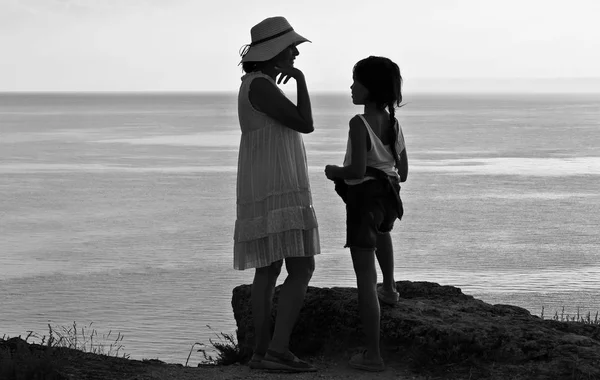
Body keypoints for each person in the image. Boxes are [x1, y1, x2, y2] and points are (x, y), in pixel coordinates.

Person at [234, 16, 320, 373]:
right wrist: (300, 82)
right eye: (292, 47)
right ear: (275, 52)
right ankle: (277, 350)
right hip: (278, 185)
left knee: (268, 270)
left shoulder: (255, 83)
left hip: (264, 182)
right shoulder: (263, 86)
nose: (297, 52)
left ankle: (261, 352)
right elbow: (305, 123)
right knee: (301, 267)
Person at [324, 56, 408, 372]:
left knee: (363, 279)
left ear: (368, 88)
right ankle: (390, 288)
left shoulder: (358, 123)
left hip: (364, 202)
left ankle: (372, 355)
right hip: (389, 198)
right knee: (384, 236)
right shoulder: (394, 124)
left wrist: (334, 171)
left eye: (355, 81)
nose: (350, 87)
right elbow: (404, 171)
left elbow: (357, 169)